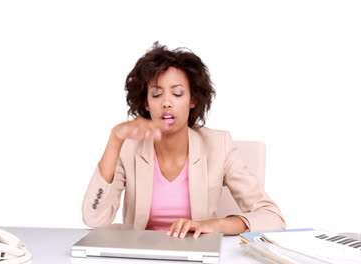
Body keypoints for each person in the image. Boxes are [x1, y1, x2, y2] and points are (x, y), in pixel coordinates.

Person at [82, 42, 285, 238]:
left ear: (193, 100)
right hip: (140, 255)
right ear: (145, 102)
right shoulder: (128, 147)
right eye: (156, 94)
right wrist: (115, 140)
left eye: (177, 93)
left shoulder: (218, 145)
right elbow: (94, 218)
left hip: (197, 255)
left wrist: (212, 225)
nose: (167, 103)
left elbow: (272, 218)